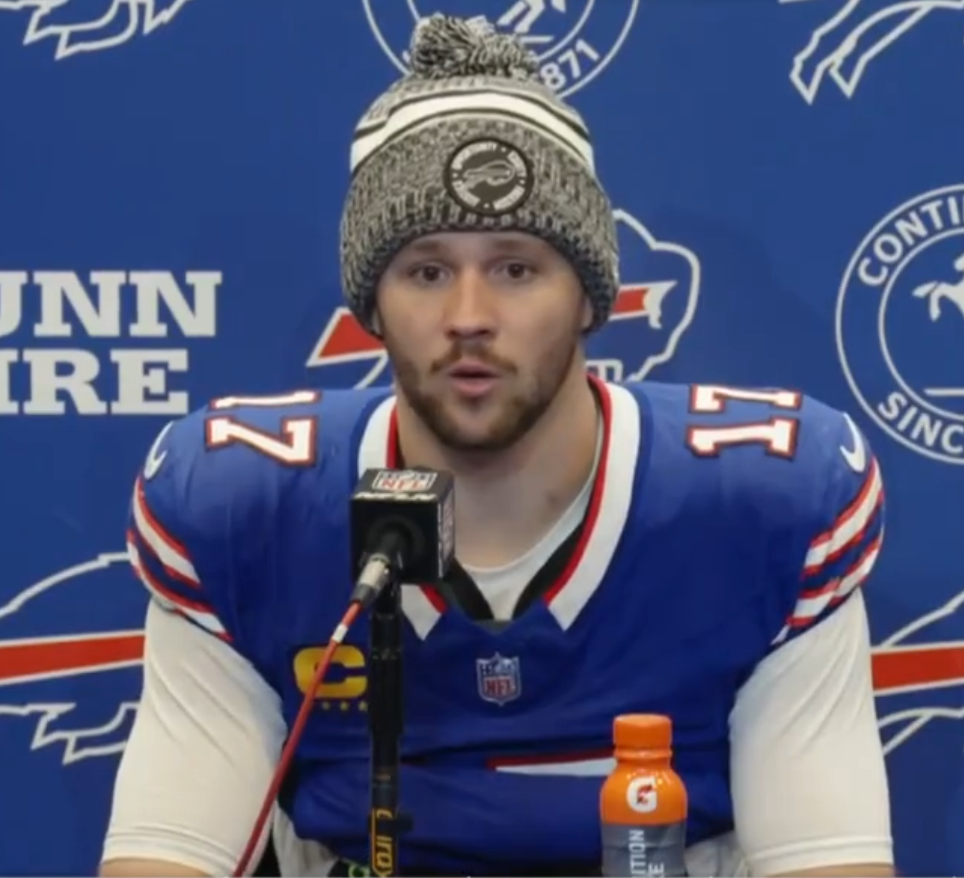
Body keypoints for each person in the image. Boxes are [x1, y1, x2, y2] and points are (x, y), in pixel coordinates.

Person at [101, 14, 893, 878]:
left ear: (591, 297)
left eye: (516, 268)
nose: (469, 316)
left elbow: (826, 862)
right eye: (426, 271)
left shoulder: (759, 505)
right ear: (371, 306)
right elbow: (164, 857)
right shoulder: (242, 508)